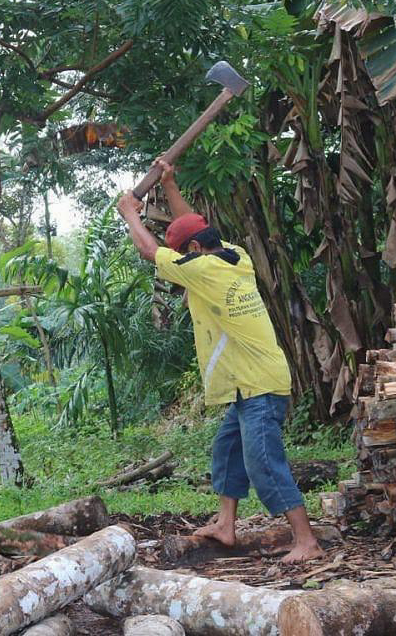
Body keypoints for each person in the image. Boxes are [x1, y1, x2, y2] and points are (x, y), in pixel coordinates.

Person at [116, 160, 325, 563]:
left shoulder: (206, 271)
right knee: (227, 452)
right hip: (248, 383)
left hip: (259, 384)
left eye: (184, 254)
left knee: (264, 463)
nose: (182, 262)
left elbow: (148, 249)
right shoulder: (235, 256)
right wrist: (172, 185)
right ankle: (226, 525)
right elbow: (192, 225)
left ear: (193, 253)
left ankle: (307, 541)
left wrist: (130, 214)